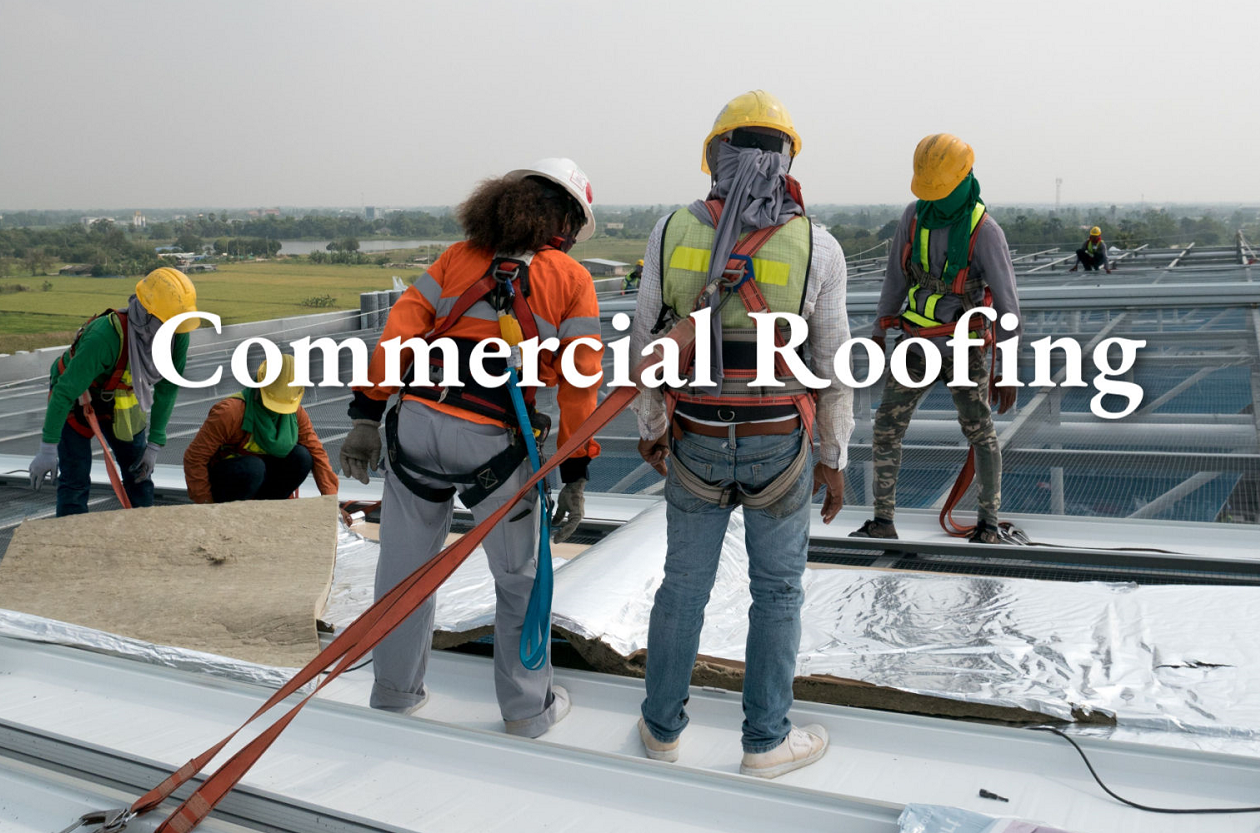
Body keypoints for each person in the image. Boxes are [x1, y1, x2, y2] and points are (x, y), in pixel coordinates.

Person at [340, 158, 602, 738]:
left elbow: (398, 334)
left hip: (416, 423)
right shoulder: (569, 278)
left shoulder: (457, 259)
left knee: (405, 572)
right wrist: (576, 471)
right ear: (564, 220)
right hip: (492, 442)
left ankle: (394, 694)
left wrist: (364, 414)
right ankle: (527, 711)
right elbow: (580, 385)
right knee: (519, 580)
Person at [630, 90, 848, 778]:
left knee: (682, 587)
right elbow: (834, 366)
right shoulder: (818, 244)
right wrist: (834, 458)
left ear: (717, 156)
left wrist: (653, 427)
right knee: (777, 591)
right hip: (777, 440)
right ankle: (765, 741)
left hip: (694, 434)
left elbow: (647, 344)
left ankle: (662, 728)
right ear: (785, 160)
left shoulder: (670, 232)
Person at [853, 133, 1022, 544]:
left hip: (964, 347)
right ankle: (883, 521)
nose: (935, 197)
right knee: (887, 427)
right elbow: (896, 278)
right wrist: (879, 331)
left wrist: (1009, 370)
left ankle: (987, 523)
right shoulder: (914, 216)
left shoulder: (985, 231)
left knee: (979, 430)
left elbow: (1008, 306)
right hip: (915, 343)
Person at [27, 266, 197, 516]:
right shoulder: (105, 337)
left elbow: (168, 388)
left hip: (121, 401)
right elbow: (64, 392)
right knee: (75, 480)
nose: (174, 329)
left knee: (138, 475)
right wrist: (48, 448)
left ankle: (142, 536)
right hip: (76, 399)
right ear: (148, 313)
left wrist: (155, 445)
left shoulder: (177, 336)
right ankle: (71, 548)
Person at [182, 354, 339, 505]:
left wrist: (331, 501)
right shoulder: (230, 412)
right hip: (230, 481)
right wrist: (206, 503)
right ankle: (233, 514)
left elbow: (316, 452)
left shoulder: (295, 413)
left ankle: (267, 510)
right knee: (253, 467)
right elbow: (195, 457)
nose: (278, 411)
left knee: (301, 456)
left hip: (261, 480)